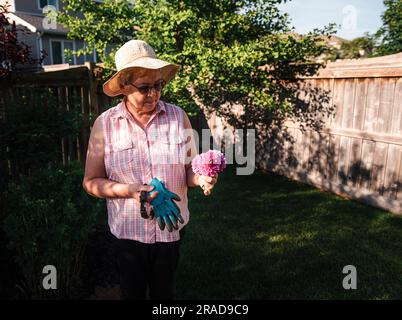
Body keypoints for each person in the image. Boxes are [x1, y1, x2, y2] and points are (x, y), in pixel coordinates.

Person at [82, 39, 218, 300]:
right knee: (131, 293)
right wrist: (130, 191)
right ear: (123, 87)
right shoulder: (105, 124)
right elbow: (91, 181)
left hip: (171, 228)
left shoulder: (179, 117)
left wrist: (202, 179)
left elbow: (189, 168)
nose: (154, 94)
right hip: (127, 231)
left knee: (164, 294)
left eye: (158, 85)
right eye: (144, 88)